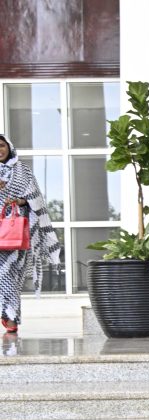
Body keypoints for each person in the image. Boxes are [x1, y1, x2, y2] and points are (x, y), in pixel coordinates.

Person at [0, 133, 61, 334]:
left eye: (1, 145)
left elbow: (36, 199)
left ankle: (10, 315)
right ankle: (7, 312)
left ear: (9, 147)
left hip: (14, 232)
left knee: (10, 274)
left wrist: (19, 200)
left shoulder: (22, 171)